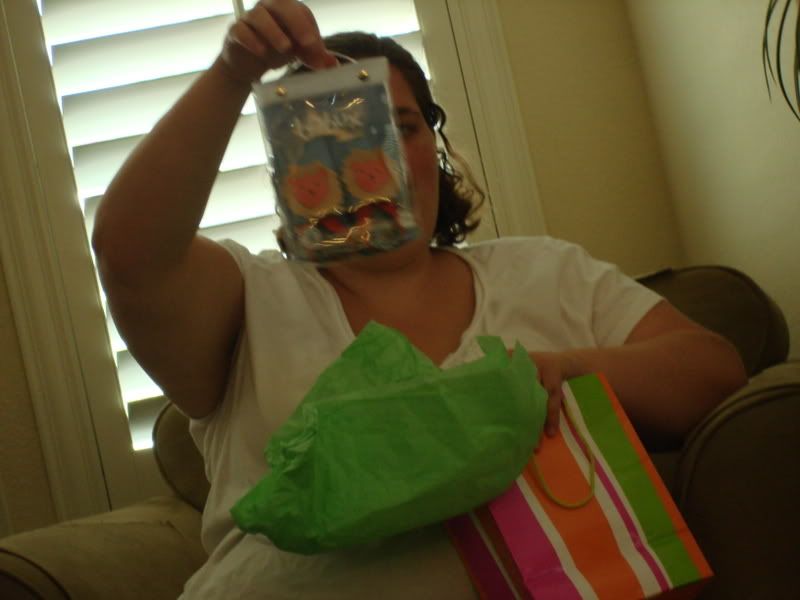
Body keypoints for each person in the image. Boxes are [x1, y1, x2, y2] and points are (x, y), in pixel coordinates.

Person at [92, 1, 747, 597]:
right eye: (327, 134)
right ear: (291, 167)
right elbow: (129, 251)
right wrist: (234, 73)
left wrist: (568, 368)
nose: (373, 155)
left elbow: (714, 370)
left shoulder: (545, 271)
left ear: (434, 148)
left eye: (400, 125)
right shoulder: (249, 296)